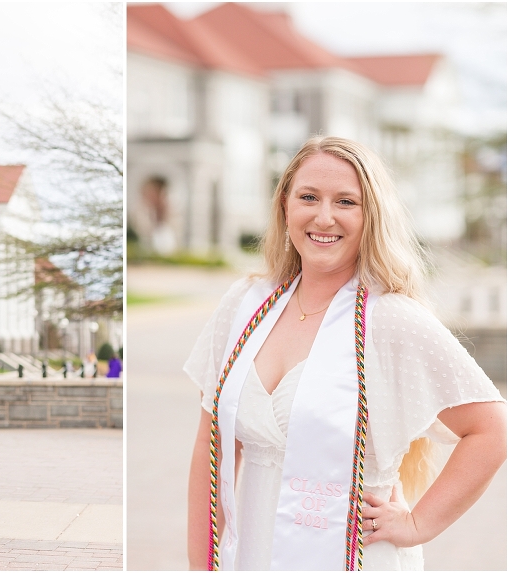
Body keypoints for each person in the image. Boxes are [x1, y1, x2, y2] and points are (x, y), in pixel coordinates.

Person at [185, 137, 506, 570]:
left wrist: (417, 523)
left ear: (371, 215)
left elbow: (491, 429)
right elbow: (211, 450)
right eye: (308, 197)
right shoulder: (244, 306)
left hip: (352, 556)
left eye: (346, 202)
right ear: (285, 205)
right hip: (253, 555)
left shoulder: (390, 320)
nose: (324, 216)